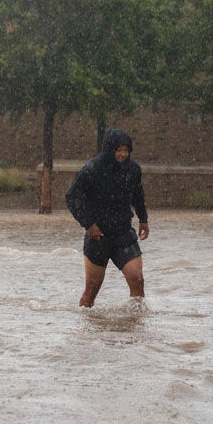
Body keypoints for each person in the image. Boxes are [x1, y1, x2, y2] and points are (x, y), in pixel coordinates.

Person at [65, 129, 149, 307]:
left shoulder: (133, 170)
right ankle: (87, 329)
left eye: (126, 150)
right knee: (91, 290)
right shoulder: (92, 169)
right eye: (118, 150)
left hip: (123, 234)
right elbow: (72, 197)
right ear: (109, 149)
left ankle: (136, 327)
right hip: (98, 237)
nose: (123, 154)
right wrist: (88, 224)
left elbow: (138, 195)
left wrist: (143, 219)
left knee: (137, 280)